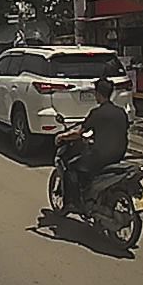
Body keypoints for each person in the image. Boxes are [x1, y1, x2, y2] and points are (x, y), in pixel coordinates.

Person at [55, 77, 129, 212]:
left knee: (71, 167)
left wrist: (62, 136)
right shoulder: (121, 112)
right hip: (119, 154)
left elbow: (79, 133)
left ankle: (72, 204)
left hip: (101, 157)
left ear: (98, 94)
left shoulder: (96, 113)